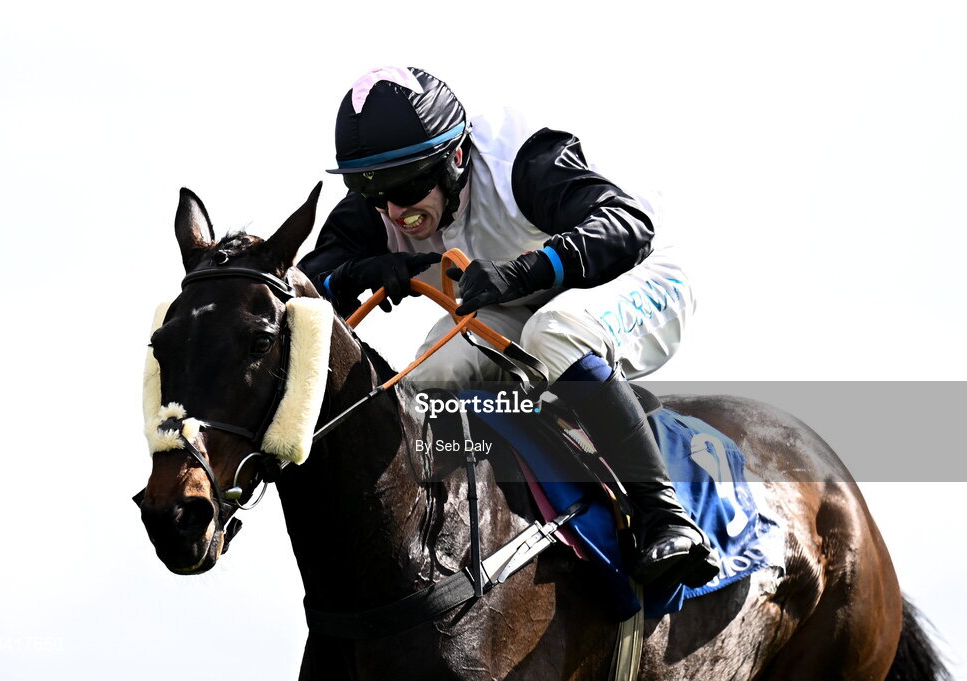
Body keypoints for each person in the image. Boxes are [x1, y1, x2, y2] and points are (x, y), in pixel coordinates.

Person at [298, 66, 718, 588]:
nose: (394, 209)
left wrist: (525, 269)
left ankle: (665, 515)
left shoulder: (522, 161)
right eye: (371, 189)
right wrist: (358, 272)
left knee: (556, 331)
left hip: (640, 273)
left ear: (454, 157)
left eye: (407, 186)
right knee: (427, 373)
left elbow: (628, 228)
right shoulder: (382, 200)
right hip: (525, 302)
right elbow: (303, 285)